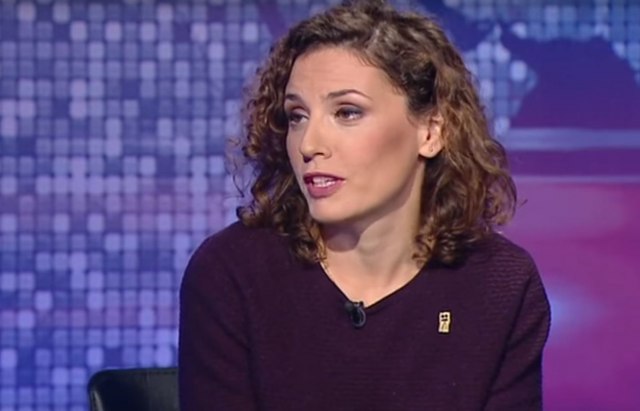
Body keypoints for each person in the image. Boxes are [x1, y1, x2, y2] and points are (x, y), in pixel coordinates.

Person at [178, 0, 551, 410]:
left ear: (431, 132)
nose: (309, 144)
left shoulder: (499, 284)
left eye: (347, 112)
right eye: (297, 116)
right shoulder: (233, 273)